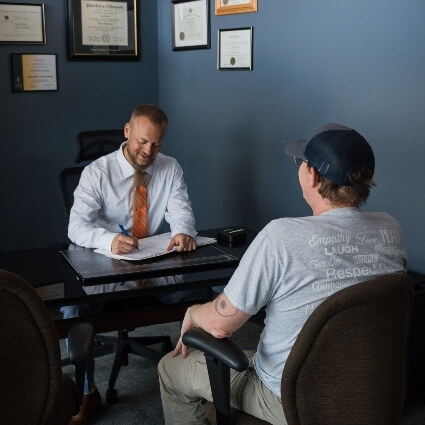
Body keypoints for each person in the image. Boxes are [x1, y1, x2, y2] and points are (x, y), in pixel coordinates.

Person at [158, 123, 408, 425]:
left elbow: (221, 326)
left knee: (171, 368)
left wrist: (194, 312)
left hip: (292, 398)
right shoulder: (390, 229)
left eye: (301, 163)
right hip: (367, 392)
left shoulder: (282, 236)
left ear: (312, 176)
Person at [66, 104, 198, 425]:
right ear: (127, 131)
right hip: (106, 268)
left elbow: (180, 209)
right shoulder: (97, 173)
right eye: (142, 141)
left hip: (150, 265)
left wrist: (183, 230)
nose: (148, 151)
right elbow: (76, 228)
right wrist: (108, 240)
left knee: (200, 294)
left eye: (156, 144)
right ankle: (88, 394)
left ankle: (196, 385)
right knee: (75, 312)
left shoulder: (170, 167)